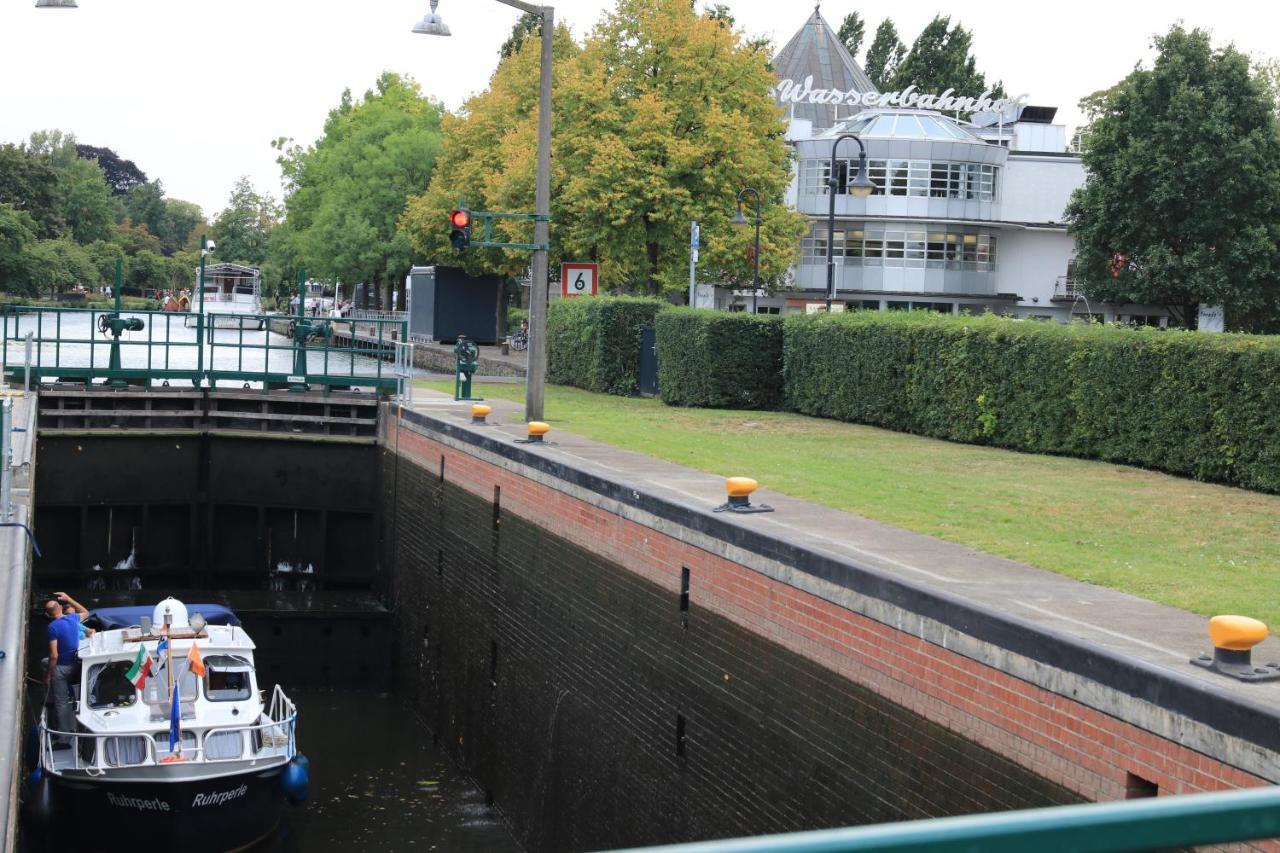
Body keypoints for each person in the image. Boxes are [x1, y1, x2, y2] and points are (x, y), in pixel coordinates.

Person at [44, 592, 89, 745]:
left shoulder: (52, 628)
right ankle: (52, 693)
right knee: (45, 662)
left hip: (63, 668)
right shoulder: (72, 618)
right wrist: (69, 598)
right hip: (77, 663)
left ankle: (64, 738)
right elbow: (86, 612)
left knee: (61, 702)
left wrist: (49, 676)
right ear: (61, 608)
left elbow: (54, 656)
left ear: (48, 615)